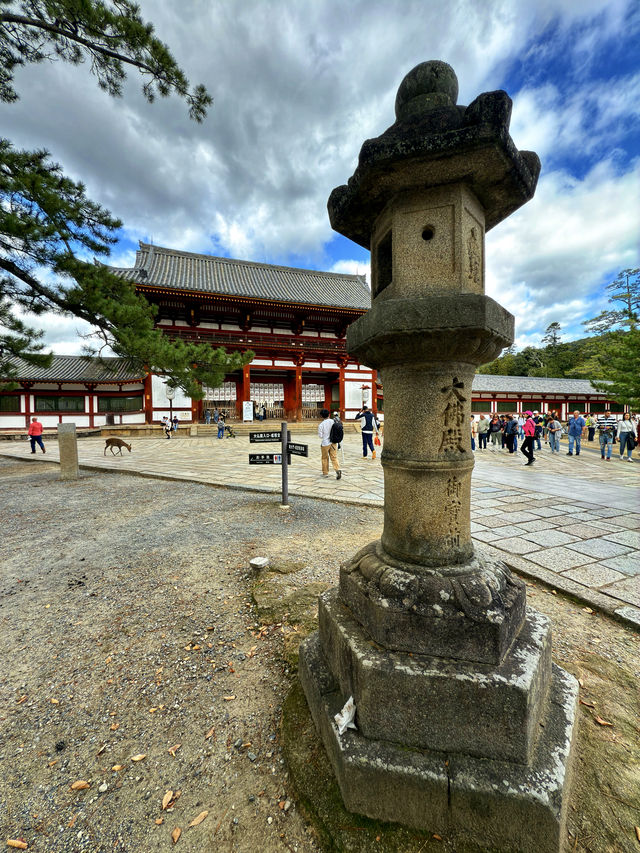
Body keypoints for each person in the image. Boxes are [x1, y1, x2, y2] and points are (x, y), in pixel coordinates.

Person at [318, 408, 341, 479]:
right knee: (334, 457)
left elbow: (320, 436)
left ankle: (325, 473)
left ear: (321, 416)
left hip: (325, 443)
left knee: (325, 458)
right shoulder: (334, 421)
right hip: (333, 442)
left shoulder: (321, 425)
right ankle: (337, 469)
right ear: (329, 415)